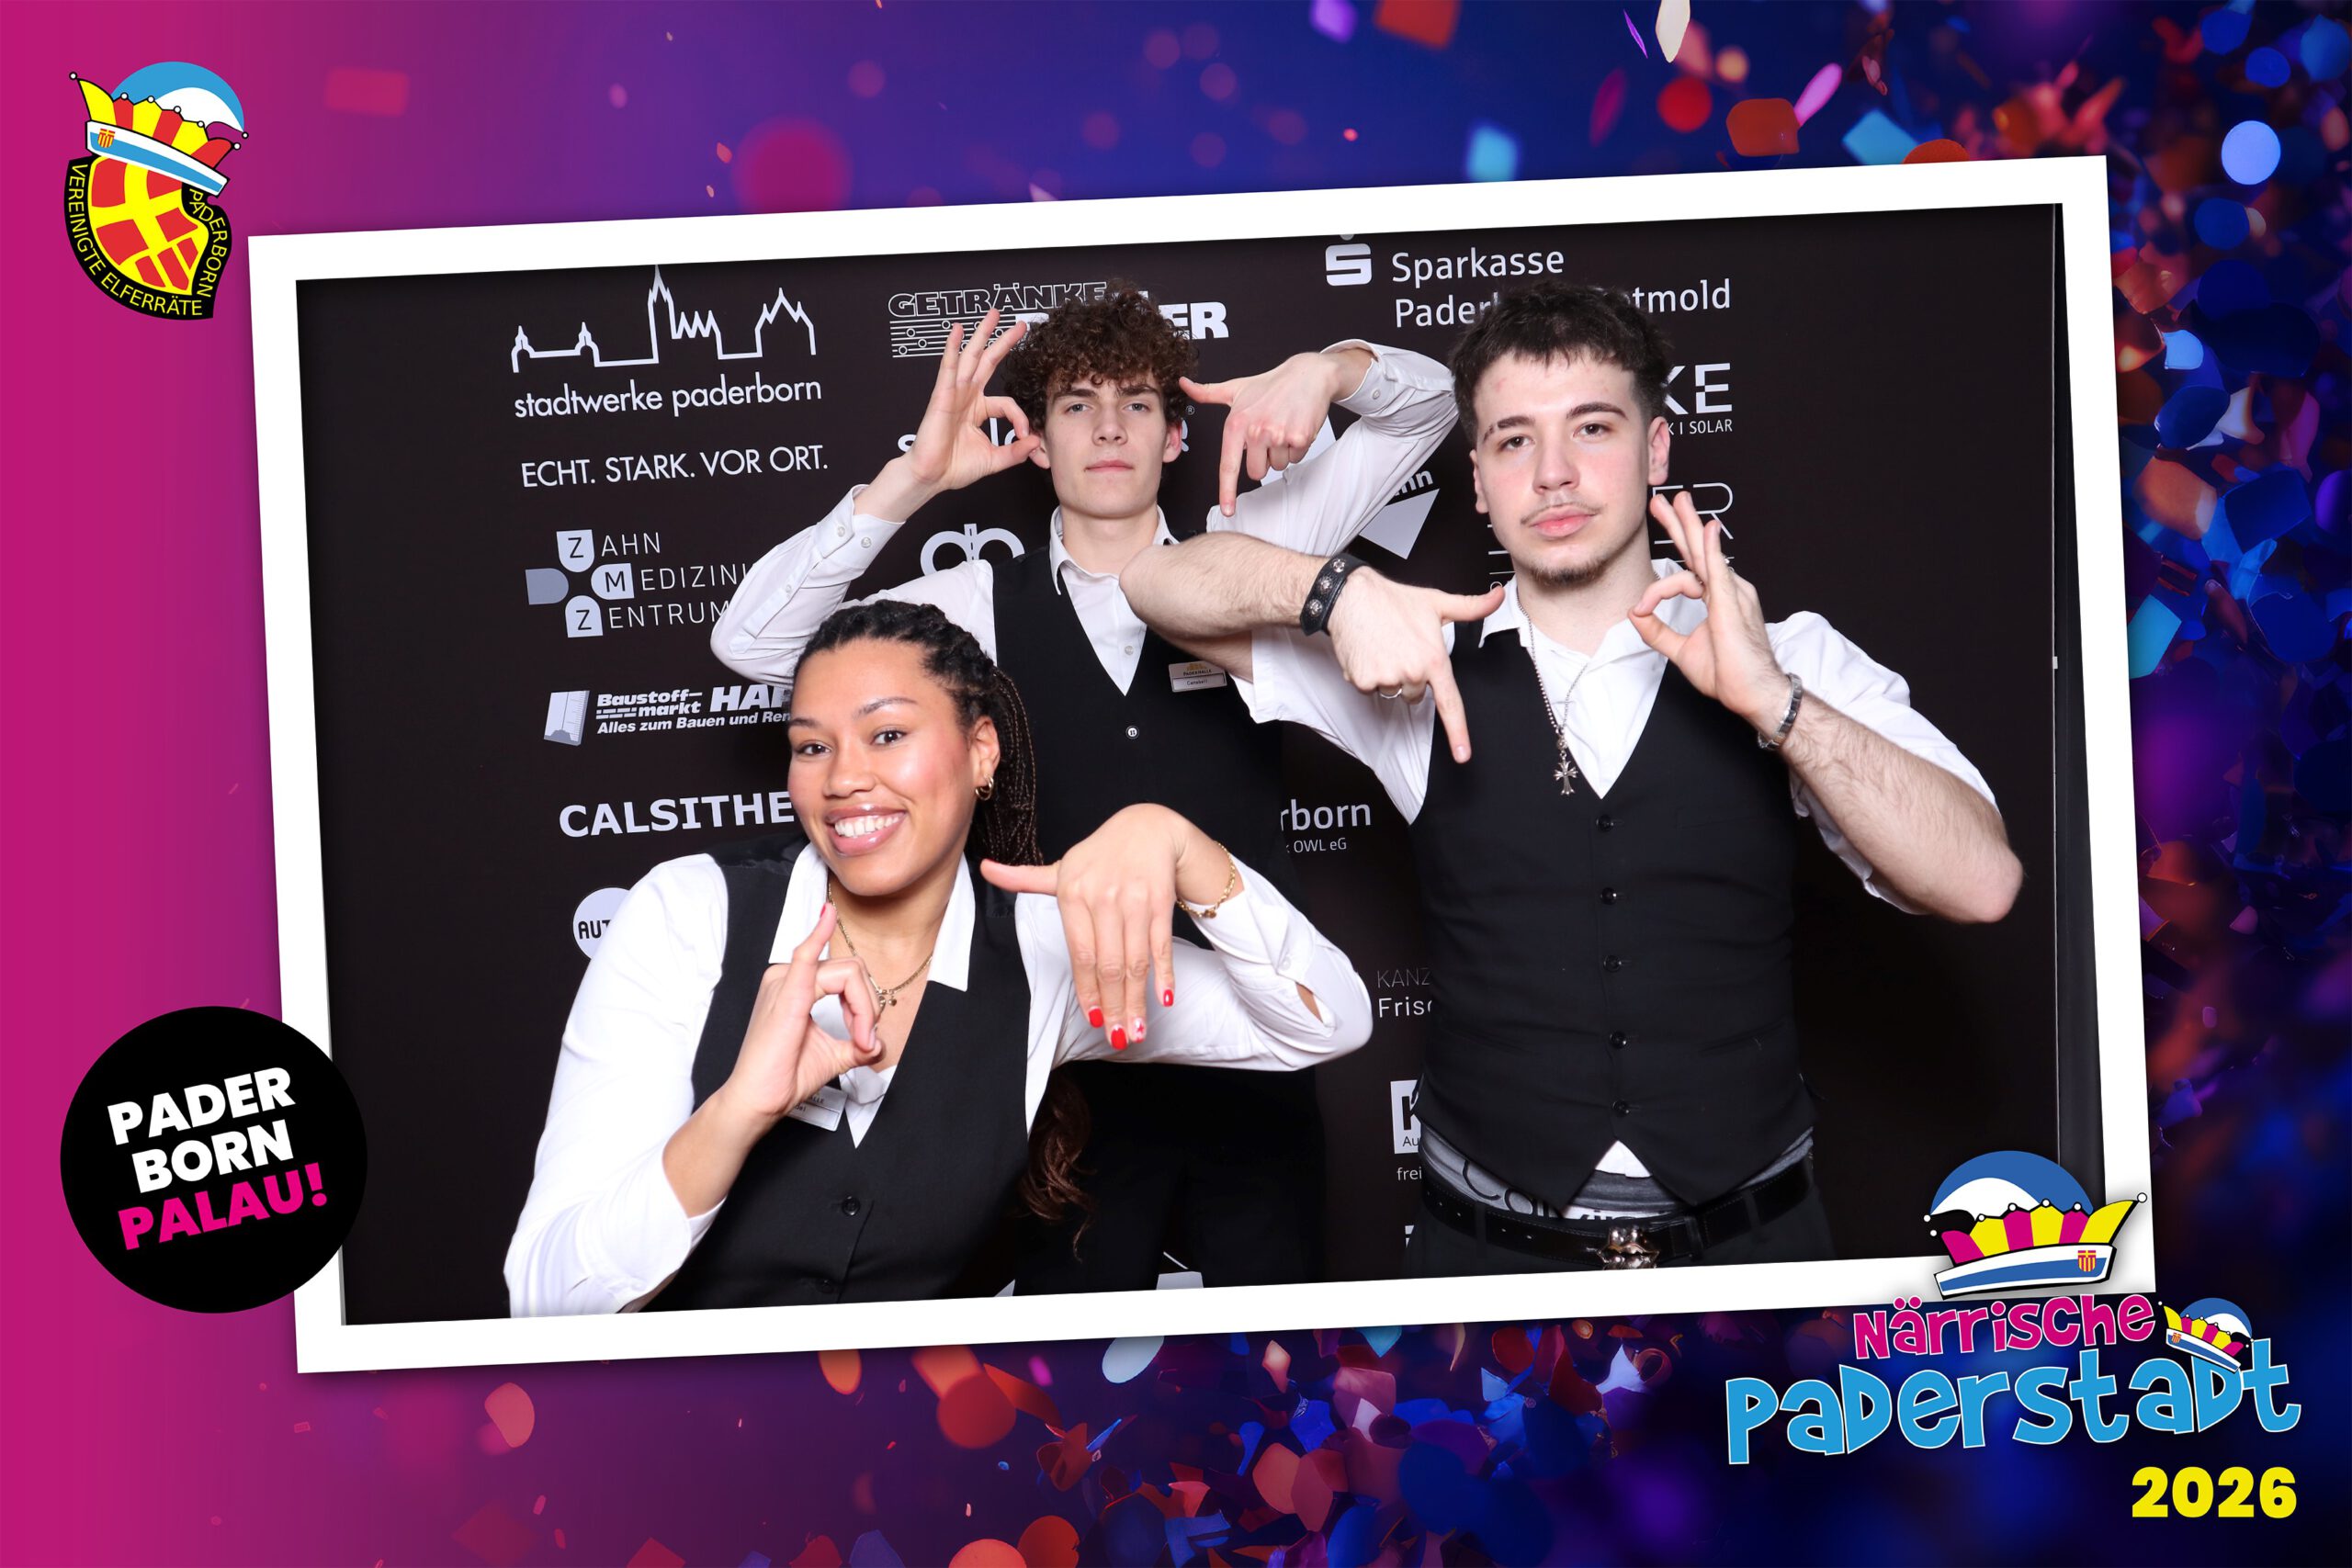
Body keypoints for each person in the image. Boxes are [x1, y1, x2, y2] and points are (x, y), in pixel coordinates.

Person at [1120, 280, 2023, 1274]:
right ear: (1477, 480)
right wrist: (1333, 592)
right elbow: (1153, 584)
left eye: (1592, 428)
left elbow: (1980, 882)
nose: (1553, 473)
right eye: (1514, 441)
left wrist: (1776, 705)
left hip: (1754, 1250)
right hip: (1486, 1258)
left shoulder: (1788, 654)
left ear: (1656, 449)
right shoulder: (1417, 663)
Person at [707, 285, 1456, 1292]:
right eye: (1076, 405)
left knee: (1280, 1368)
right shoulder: (972, 606)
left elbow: (1429, 405)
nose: (1108, 428)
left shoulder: (1254, 557)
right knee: (1070, 1378)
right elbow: (756, 647)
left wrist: (1330, 368)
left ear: (1176, 436)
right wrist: (911, 478)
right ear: (1038, 442)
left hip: (1260, 1050)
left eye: (1137, 403)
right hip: (1065, 1081)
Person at [504, 601, 1371, 1313]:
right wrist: (736, 1112)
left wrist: (1183, 847)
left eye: (887, 735)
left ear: (981, 751)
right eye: (812, 745)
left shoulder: (1040, 949)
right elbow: (546, 1301)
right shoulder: (689, 914)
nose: (843, 778)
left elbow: (1322, 1022)